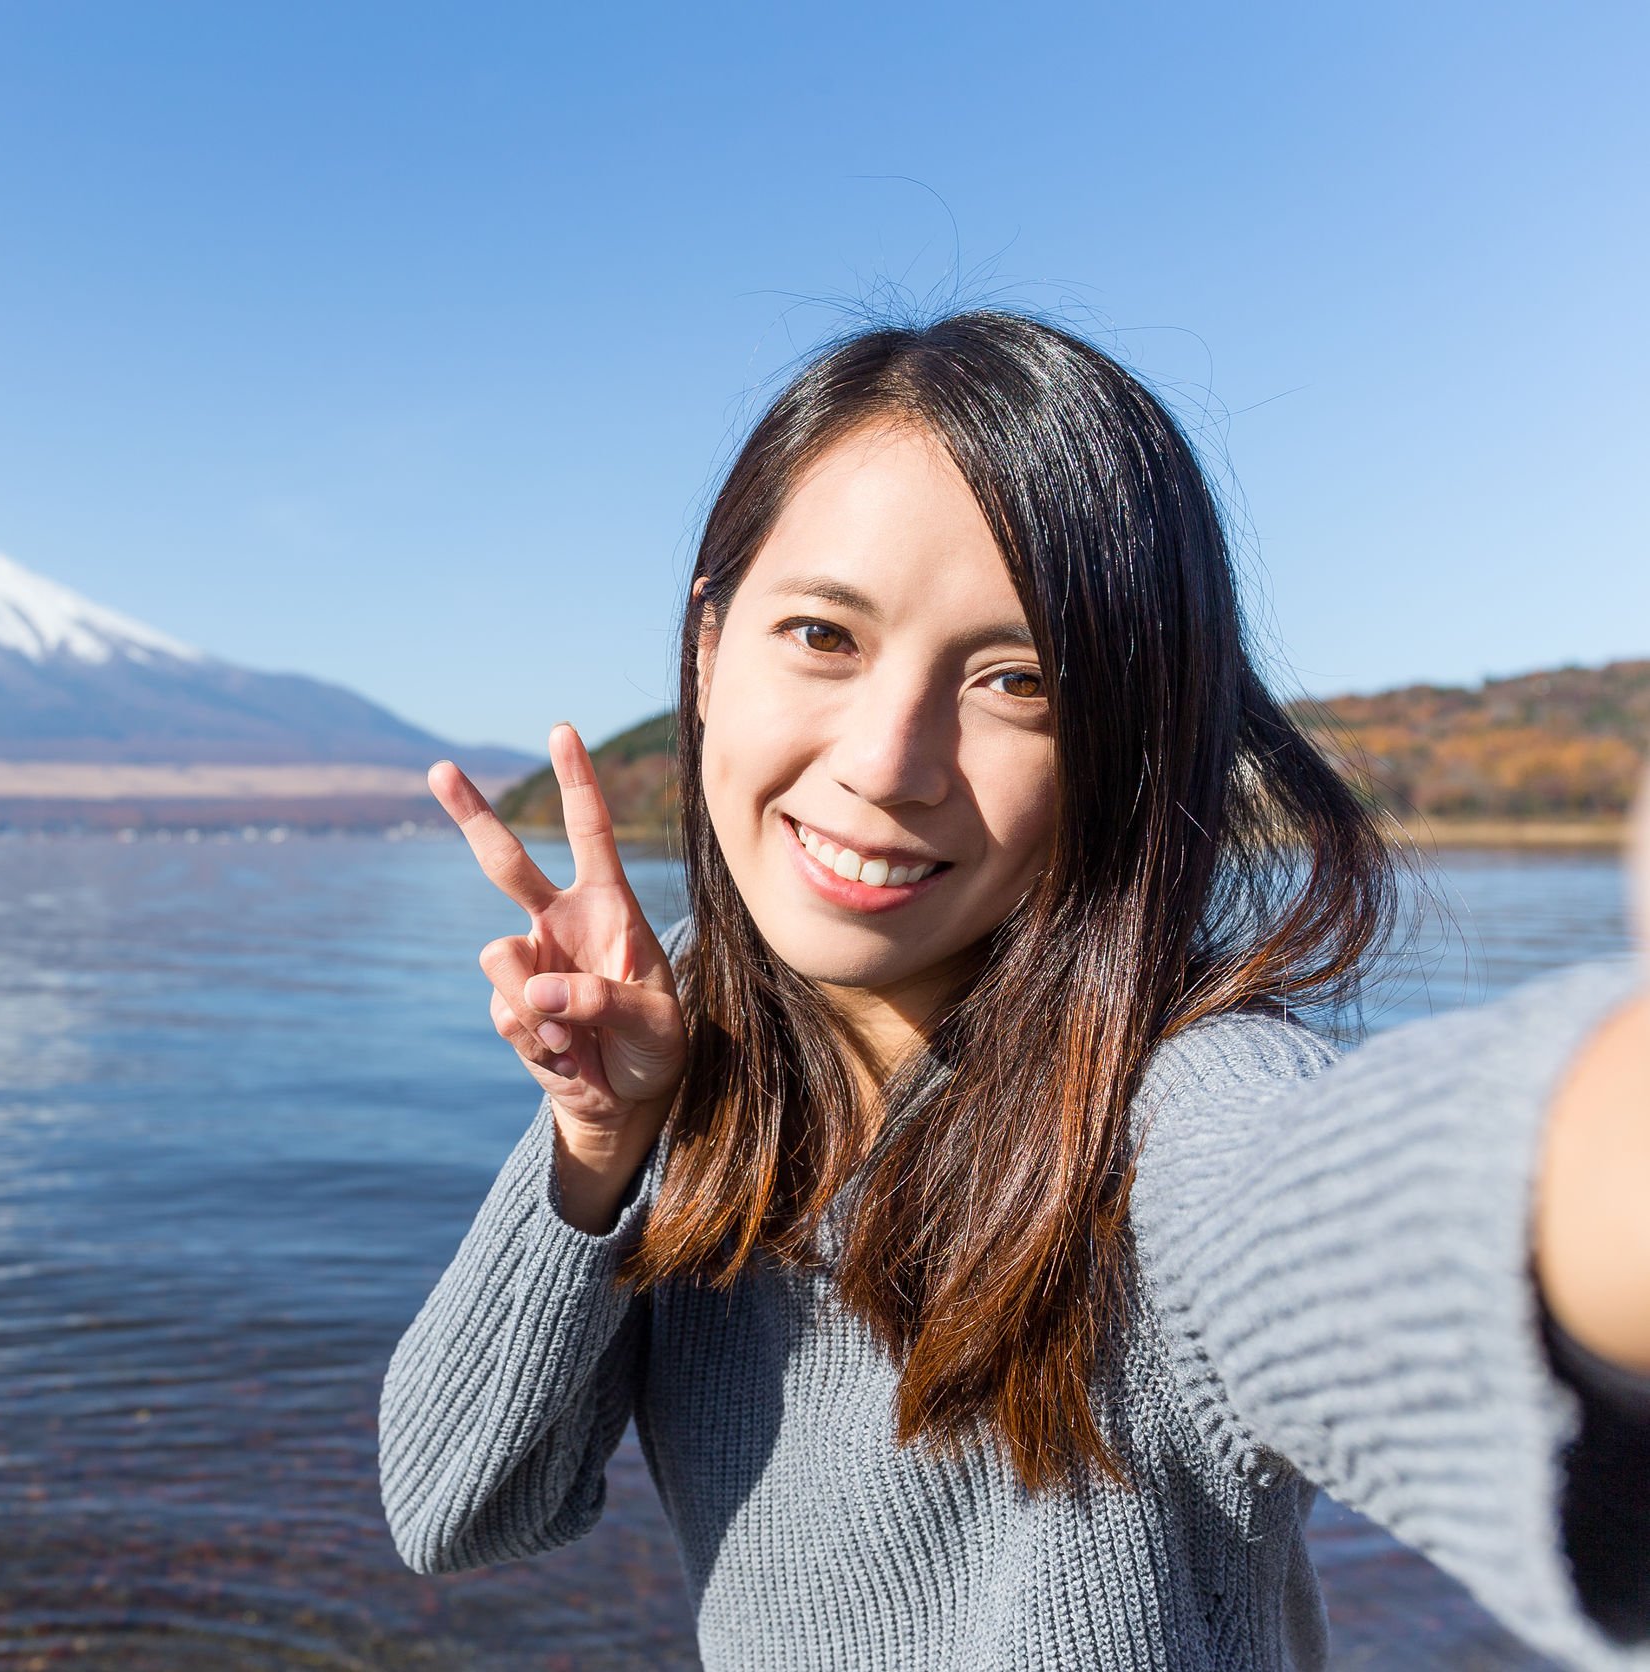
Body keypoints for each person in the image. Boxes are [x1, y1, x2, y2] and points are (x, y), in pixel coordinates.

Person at [377, 312, 1649, 1671]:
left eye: (1018, 681)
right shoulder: (688, 1043)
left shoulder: (1172, 1112)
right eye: (822, 633)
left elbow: (1408, 1209)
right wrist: (596, 1141)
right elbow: (456, 1508)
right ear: (708, 647)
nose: (889, 760)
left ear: (1126, 739)